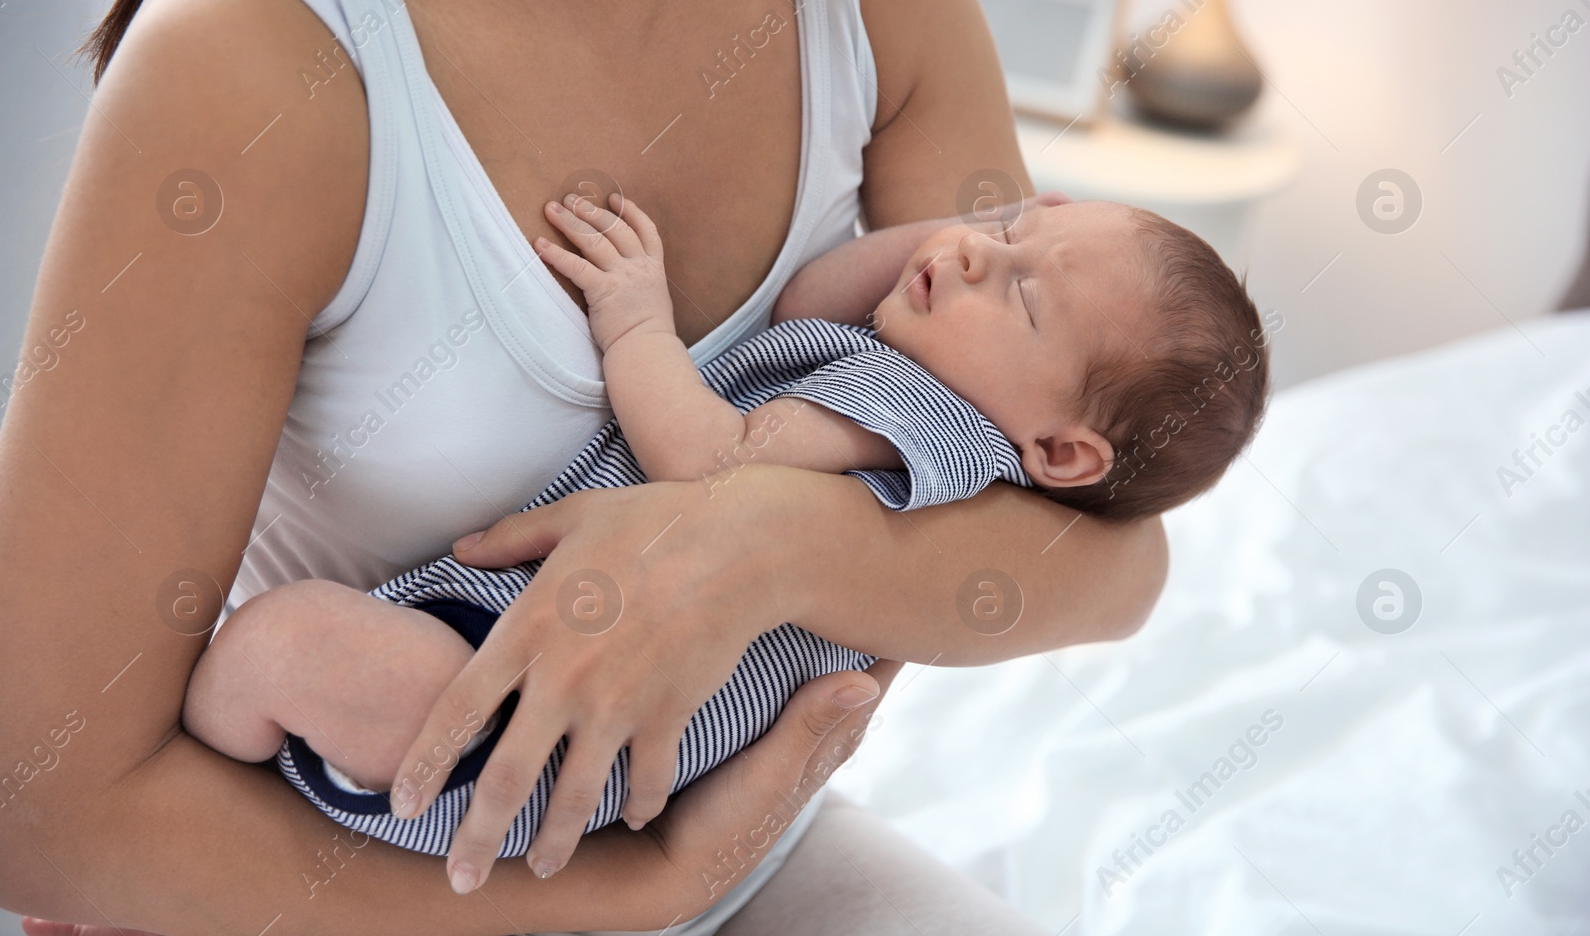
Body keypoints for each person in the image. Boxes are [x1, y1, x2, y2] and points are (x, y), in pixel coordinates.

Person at [0, 0, 1170, 932]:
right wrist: (638, 889)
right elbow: (33, 813)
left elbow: (1109, 553)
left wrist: (763, 545)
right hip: (369, 871)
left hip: (744, 850)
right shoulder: (256, 59)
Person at [179, 192, 1270, 876]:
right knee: (286, 660)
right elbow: (808, 299)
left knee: (277, 646)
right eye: (1006, 229)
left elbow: (711, 465)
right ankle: (215, 803)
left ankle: (198, 793)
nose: (976, 255)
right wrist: (973, 244)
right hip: (523, 676)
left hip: (537, 716)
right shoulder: (895, 380)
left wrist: (637, 323)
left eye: (1025, 294)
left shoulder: (936, 430)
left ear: (1064, 453)